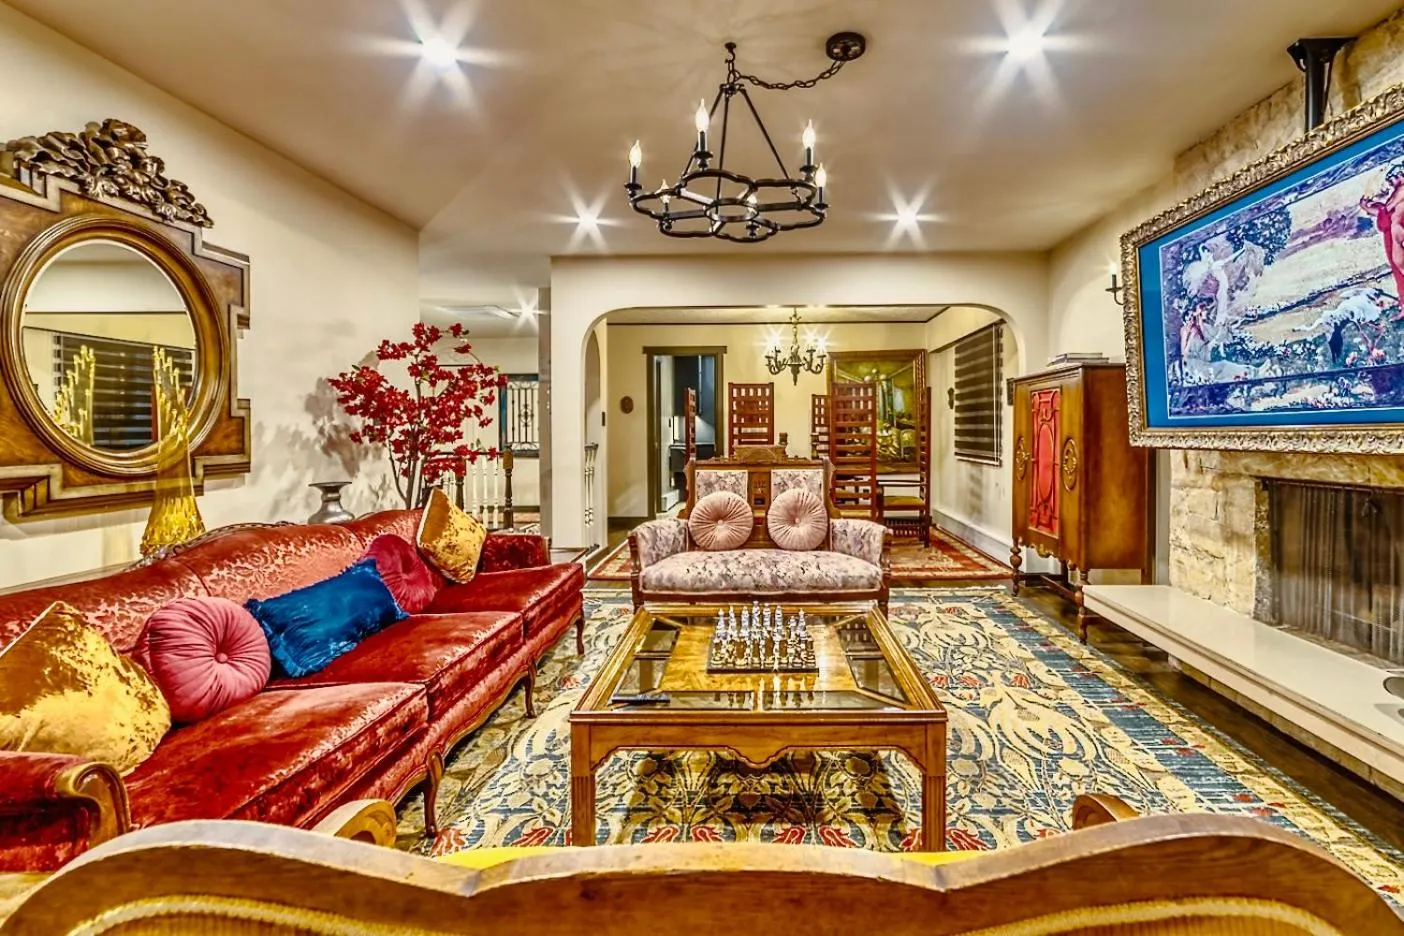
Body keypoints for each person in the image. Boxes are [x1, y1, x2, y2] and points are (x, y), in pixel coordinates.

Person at [1359, 161, 1404, 320]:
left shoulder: (1402, 189)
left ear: (1399, 175)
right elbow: (1382, 212)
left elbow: (1388, 208)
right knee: (1397, 269)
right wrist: (1366, 207)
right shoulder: (1397, 192)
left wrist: (1377, 205)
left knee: (1401, 265)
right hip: (1391, 233)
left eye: (1391, 180)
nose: (1390, 184)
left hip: (1399, 230)